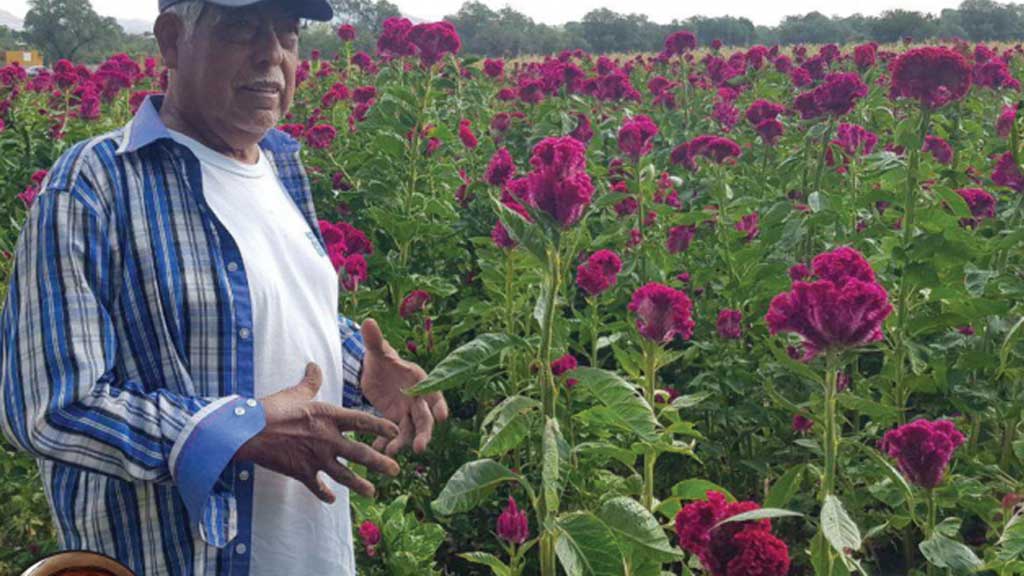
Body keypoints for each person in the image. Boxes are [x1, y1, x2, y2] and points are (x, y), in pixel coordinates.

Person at [0, 0, 448, 574]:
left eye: (287, 33)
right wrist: (237, 430)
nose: (272, 55)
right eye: (240, 28)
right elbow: (47, 406)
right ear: (170, 40)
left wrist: (363, 368)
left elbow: (270, 317)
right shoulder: (94, 184)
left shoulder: (282, 168)